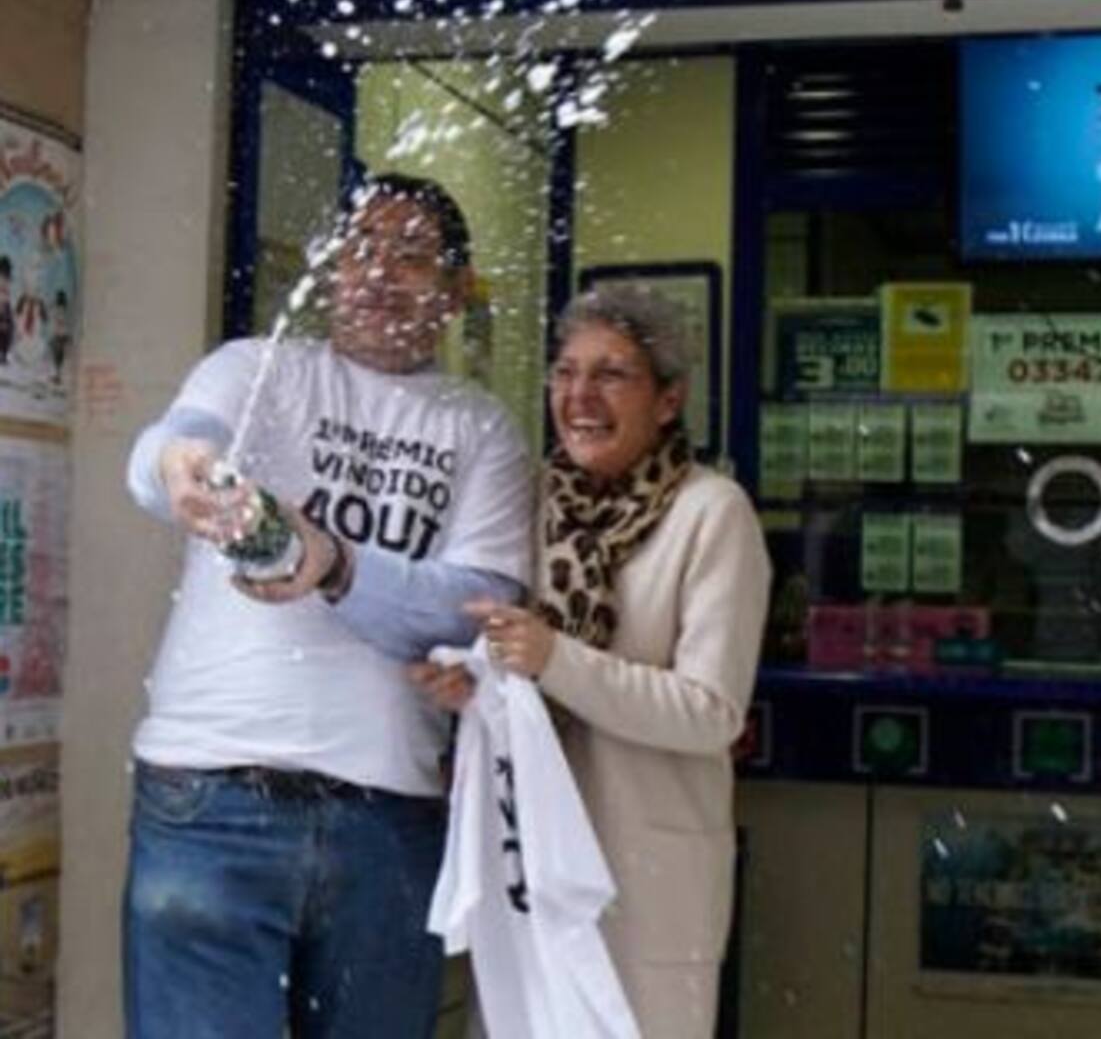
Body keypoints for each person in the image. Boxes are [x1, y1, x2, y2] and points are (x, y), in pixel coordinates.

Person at [122, 173, 532, 1039]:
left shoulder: (481, 428)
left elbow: (476, 607)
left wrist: (333, 563)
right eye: (360, 251)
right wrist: (175, 468)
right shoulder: (256, 368)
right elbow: (172, 448)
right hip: (208, 796)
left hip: (387, 813)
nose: (379, 274)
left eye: (413, 256)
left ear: (458, 292)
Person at [413, 283, 771, 1038]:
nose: (580, 396)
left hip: (647, 882)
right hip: (530, 868)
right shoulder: (532, 500)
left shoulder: (713, 512)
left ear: (668, 400)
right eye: (565, 372)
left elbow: (710, 712)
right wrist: (469, 684)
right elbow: (507, 661)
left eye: (611, 374)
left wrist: (555, 660)